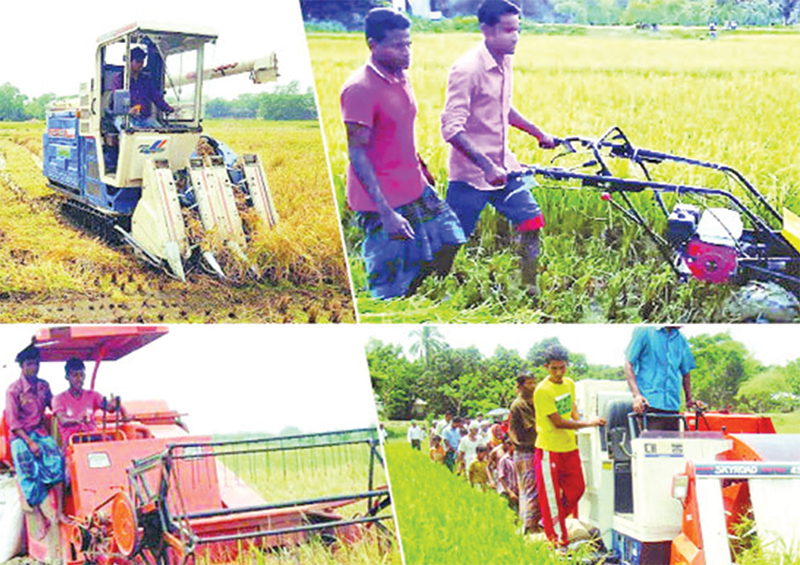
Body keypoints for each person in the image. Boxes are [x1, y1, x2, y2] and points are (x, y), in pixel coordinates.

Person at [341, 7, 466, 300]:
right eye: (398, 45)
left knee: (450, 238)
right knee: (388, 279)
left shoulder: (400, 77)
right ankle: (392, 307)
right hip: (379, 198)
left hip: (412, 183)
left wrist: (420, 167)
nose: (407, 51)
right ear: (373, 44)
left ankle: (417, 294)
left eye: (408, 43)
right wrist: (386, 213)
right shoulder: (359, 89)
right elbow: (357, 152)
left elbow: (396, 131)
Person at [440, 0, 557, 296]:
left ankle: (530, 289)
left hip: (504, 166)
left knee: (532, 221)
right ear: (486, 30)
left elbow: (502, 107)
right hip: (470, 174)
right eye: (508, 30)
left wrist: (537, 132)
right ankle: (427, 288)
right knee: (451, 239)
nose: (515, 36)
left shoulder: (504, 60)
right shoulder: (467, 69)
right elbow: (451, 128)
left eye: (517, 29)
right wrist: (485, 166)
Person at [533, 345, 605, 547]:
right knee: (552, 499)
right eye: (554, 368)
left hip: (569, 448)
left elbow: (572, 410)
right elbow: (558, 422)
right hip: (549, 451)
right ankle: (558, 541)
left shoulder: (570, 384)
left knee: (577, 489)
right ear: (546, 367)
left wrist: (584, 419)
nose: (558, 373)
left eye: (562, 368)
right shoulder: (542, 391)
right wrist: (588, 423)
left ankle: (548, 522)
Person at [4, 345, 65, 539]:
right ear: (22, 366)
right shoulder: (13, 390)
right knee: (27, 471)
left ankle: (60, 512)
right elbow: (13, 423)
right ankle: (40, 518)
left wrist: (66, 415)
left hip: (39, 431)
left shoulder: (43, 386)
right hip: (21, 435)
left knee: (56, 460)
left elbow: (54, 405)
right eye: (30, 364)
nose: (34, 368)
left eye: (36, 364)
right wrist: (30, 443)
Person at [624, 326, 698, 432]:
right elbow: (628, 363)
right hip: (649, 405)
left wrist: (689, 399)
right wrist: (637, 395)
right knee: (653, 445)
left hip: (672, 406)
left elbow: (686, 371)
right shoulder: (644, 331)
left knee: (673, 446)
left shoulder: (680, 338)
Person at [52, 358, 128, 447]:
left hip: (92, 439)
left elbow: (109, 408)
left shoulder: (93, 395)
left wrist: (117, 405)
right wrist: (79, 420)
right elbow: (63, 420)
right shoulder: (59, 399)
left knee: (111, 441)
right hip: (72, 442)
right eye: (75, 375)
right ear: (67, 377)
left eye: (82, 375)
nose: (79, 379)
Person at [508, 373, 541, 534]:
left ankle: (530, 523)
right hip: (525, 451)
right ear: (520, 386)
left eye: (534, 383)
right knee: (531, 490)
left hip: (531, 450)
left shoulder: (531, 402)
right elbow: (534, 426)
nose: (533, 386)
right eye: (529, 383)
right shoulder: (519, 405)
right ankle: (529, 526)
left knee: (531, 490)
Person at [111, 46, 174, 130]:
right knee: (128, 130)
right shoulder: (119, 79)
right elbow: (118, 101)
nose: (141, 64)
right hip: (125, 118)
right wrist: (128, 110)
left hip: (144, 118)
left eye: (142, 61)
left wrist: (168, 109)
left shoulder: (146, 80)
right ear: (129, 61)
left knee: (160, 129)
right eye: (138, 61)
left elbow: (156, 97)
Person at [496, 436, 519, 511]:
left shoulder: (517, 459)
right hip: (506, 492)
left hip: (516, 492)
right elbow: (501, 477)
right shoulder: (504, 460)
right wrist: (510, 492)